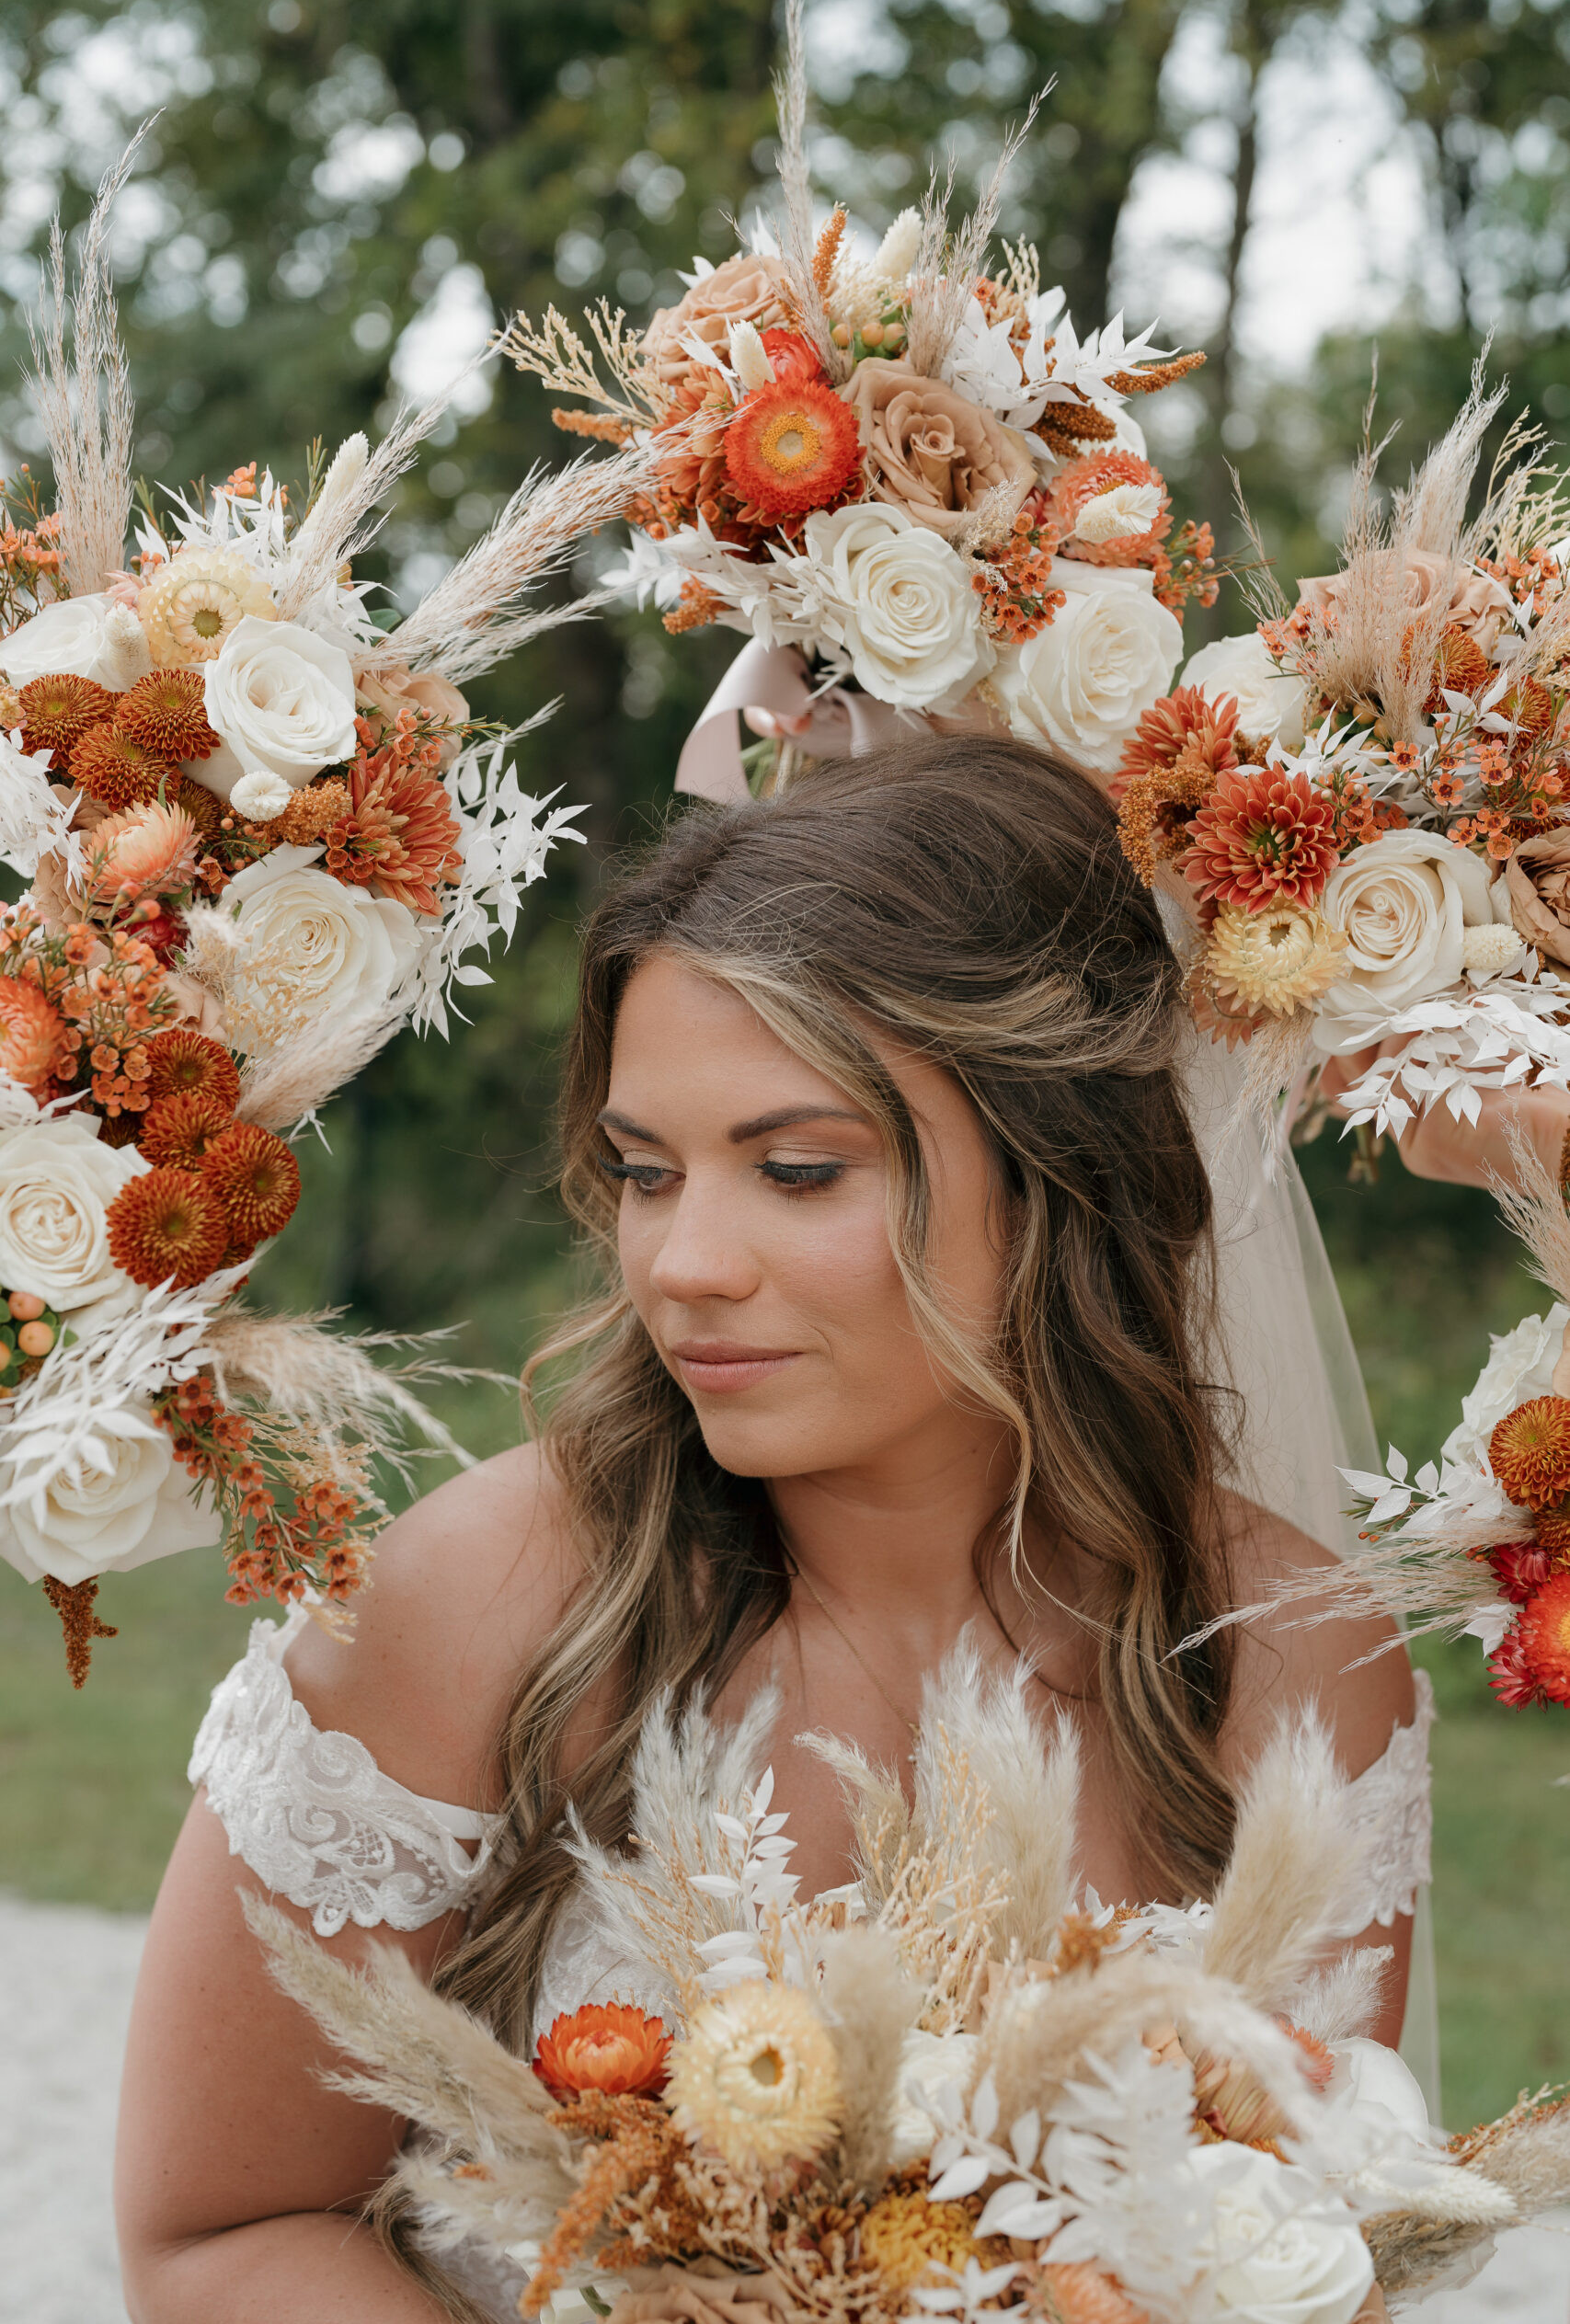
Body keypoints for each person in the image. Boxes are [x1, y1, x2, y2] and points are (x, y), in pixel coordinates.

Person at [114, 738, 1428, 2324]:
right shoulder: (477, 1600)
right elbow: (221, 2231)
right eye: (645, 1173)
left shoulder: (1296, 1661)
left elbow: (1316, 2244)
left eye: (797, 1170)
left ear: (1061, 1168)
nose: (682, 1263)